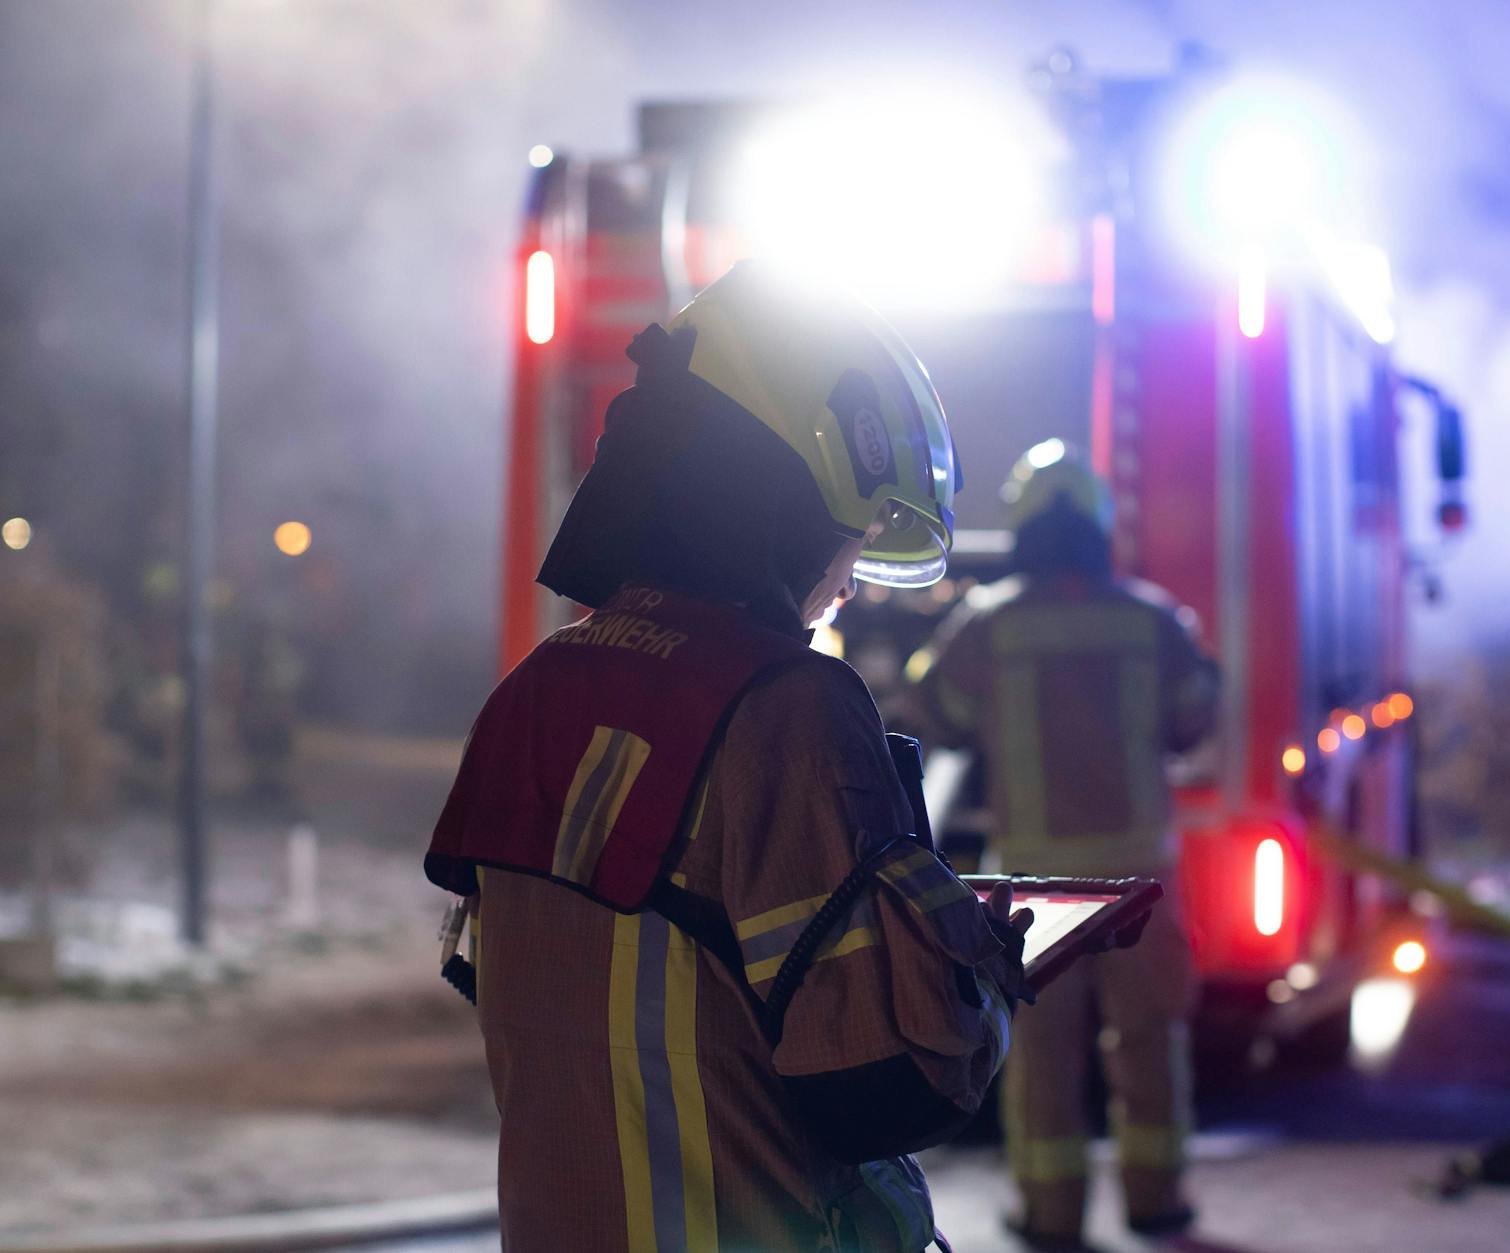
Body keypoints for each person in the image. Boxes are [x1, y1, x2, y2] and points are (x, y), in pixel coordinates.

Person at [425, 264, 1032, 1251]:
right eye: (846, 534)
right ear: (782, 505)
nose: (848, 577)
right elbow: (884, 1082)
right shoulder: (787, 708)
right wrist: (973, 964)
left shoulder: (536, 687)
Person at [904, 440, 1218, 1248]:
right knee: (1150, 1038)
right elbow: (1196, 718)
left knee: (1043, 1055)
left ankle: (1051, 1214)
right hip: (1142, 871)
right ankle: (1158, 1201)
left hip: (1040, 879)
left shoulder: (989, 622)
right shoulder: (1151, 619)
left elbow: (934, 711)